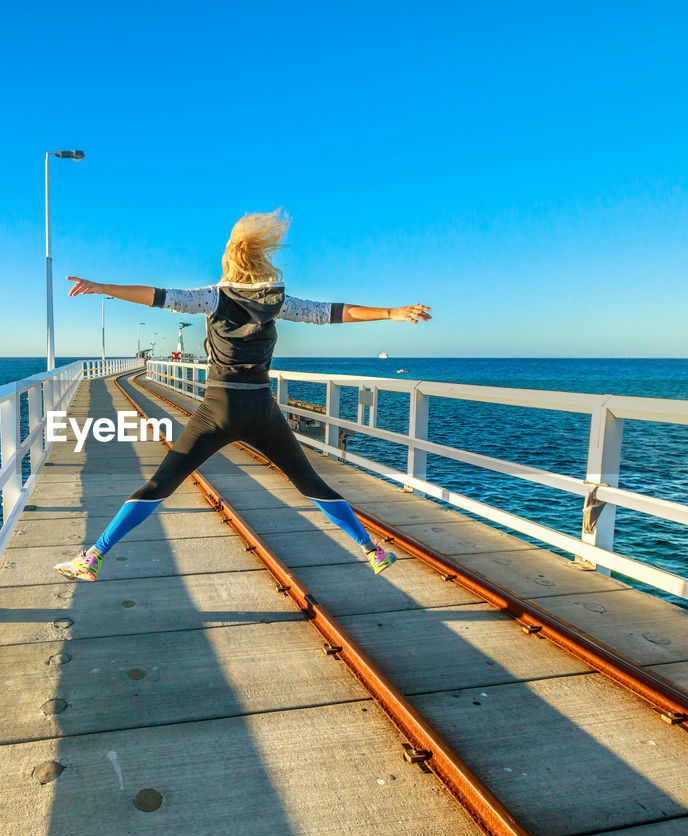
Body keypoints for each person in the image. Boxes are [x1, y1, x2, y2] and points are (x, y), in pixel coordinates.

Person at [54, 209, 432, 581]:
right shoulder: (278, 302)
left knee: (160, 484)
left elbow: (157, 296)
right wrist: (390, 312)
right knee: (309, 482)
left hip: (218, 408)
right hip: (262, 409)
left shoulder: (212, 298)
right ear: (260, 258)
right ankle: (373, 551)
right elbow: (331, 313)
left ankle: (94, 555)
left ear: (229, 258)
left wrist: (103, 288)